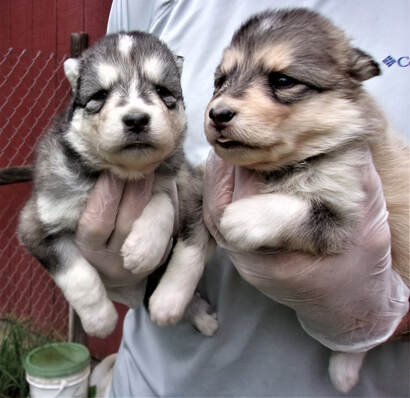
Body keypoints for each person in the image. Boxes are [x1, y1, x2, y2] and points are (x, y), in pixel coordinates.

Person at [77, 1, 410, 396]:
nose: (219, 105)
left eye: (282, 82)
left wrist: (386, 320)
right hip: (161, 381)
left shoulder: (355, 139)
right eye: (221, 79)